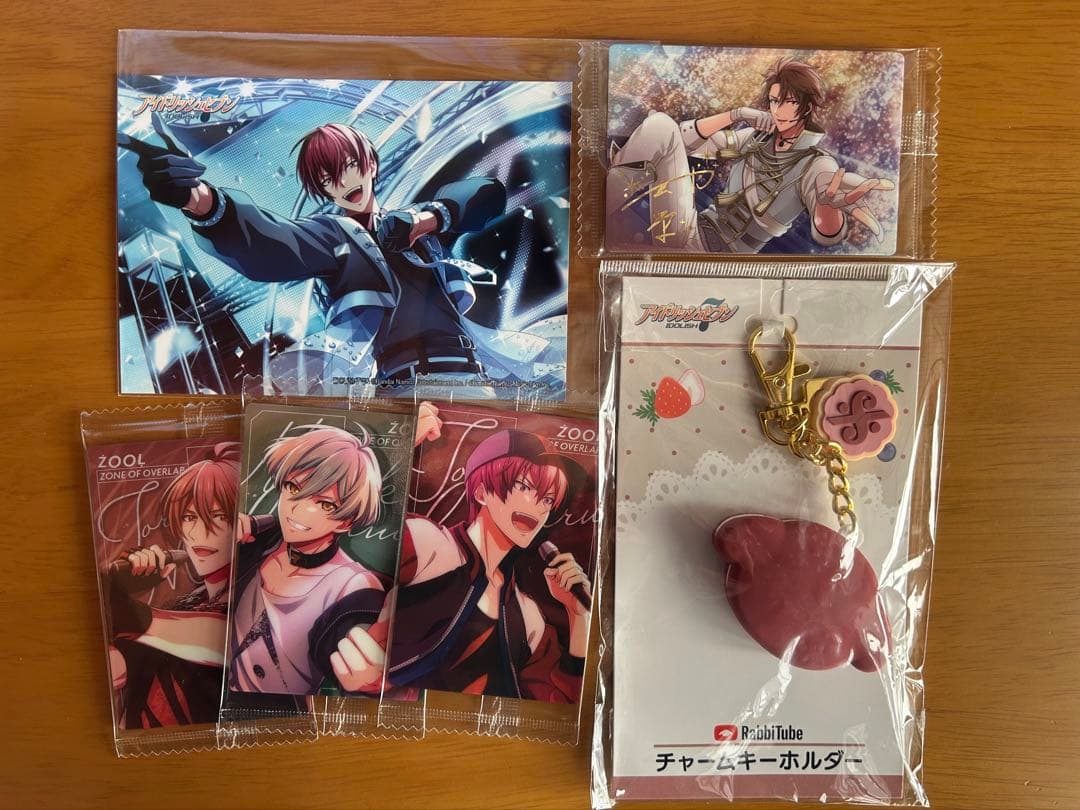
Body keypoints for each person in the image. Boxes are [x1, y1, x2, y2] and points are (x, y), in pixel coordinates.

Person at [118, 118, 532, 381]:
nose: (344, 181)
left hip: (472, 371)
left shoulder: (417, 226)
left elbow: (487, 194)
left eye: (350, 166)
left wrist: (430, 218)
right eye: (328, 178)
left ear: (370, 163)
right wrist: (199, 199)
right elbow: (267, 245)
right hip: (402, 383)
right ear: (322, 189)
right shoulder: (333, 237)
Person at [388, 403, 592, 702]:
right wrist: (401, 444)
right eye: (524, 486)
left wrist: (578, 617)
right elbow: (359, 527)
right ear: (481, 491)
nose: (537, 506)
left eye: (548, 499)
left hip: (478, 730)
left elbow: (559, 701)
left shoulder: (528, 616)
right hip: (385, 719)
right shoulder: (428, 544)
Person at [606, 58, 895, 253]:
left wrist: (828, 205)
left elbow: (826, 232)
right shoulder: (757, 138)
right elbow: (684, 142)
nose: (778, 110)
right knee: (661, 125)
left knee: (661, 126)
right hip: (688, 231)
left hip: (715, 262)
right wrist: (736, 114)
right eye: (774, 101)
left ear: (806, 107)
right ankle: (601, 207)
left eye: (788, 102)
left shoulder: (817, 165)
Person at [228, 424, 390, 696]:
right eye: (293, 487)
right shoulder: (259, 543)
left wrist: (367, 678)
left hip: (279, 716)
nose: (298, 509)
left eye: (324, 504)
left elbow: (357, 637)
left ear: (346, 522)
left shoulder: (353, 584)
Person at [107, 442, 239, 728]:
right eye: (189, 517)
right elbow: (116, 672)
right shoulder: (186, 605)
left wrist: (120, 602)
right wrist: (119, 587)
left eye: (220, 516)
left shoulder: (254, 601)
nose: (201, 532)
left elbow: (224, 642)